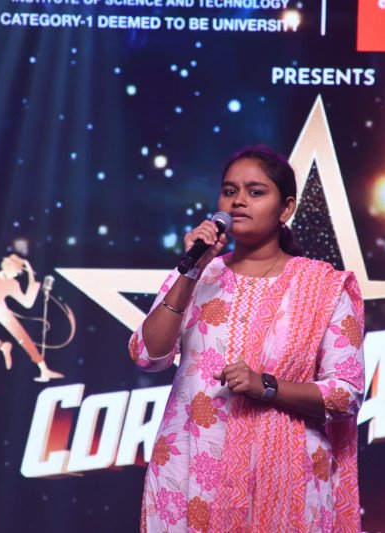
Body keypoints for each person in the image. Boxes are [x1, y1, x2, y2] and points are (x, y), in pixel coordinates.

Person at [128, 146, 365, 532]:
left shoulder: (324, 287)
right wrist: (191, 272)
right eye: (229, 191)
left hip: (283, 477)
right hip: (190, 470)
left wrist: (266, 386)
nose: (238, 201)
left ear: (286, 208)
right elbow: (146, 355)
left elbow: (346, 394)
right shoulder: (197, 274)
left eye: (256, 192)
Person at [0, 254, 64, 382]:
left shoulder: (13, 283)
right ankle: (3, 346)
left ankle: (44, 369)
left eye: (18, 272)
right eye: (16, 270)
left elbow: (27, 302)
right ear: (7, 265)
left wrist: (30, 273)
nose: (16, 274)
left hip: (1, 310)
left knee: (22, 337)